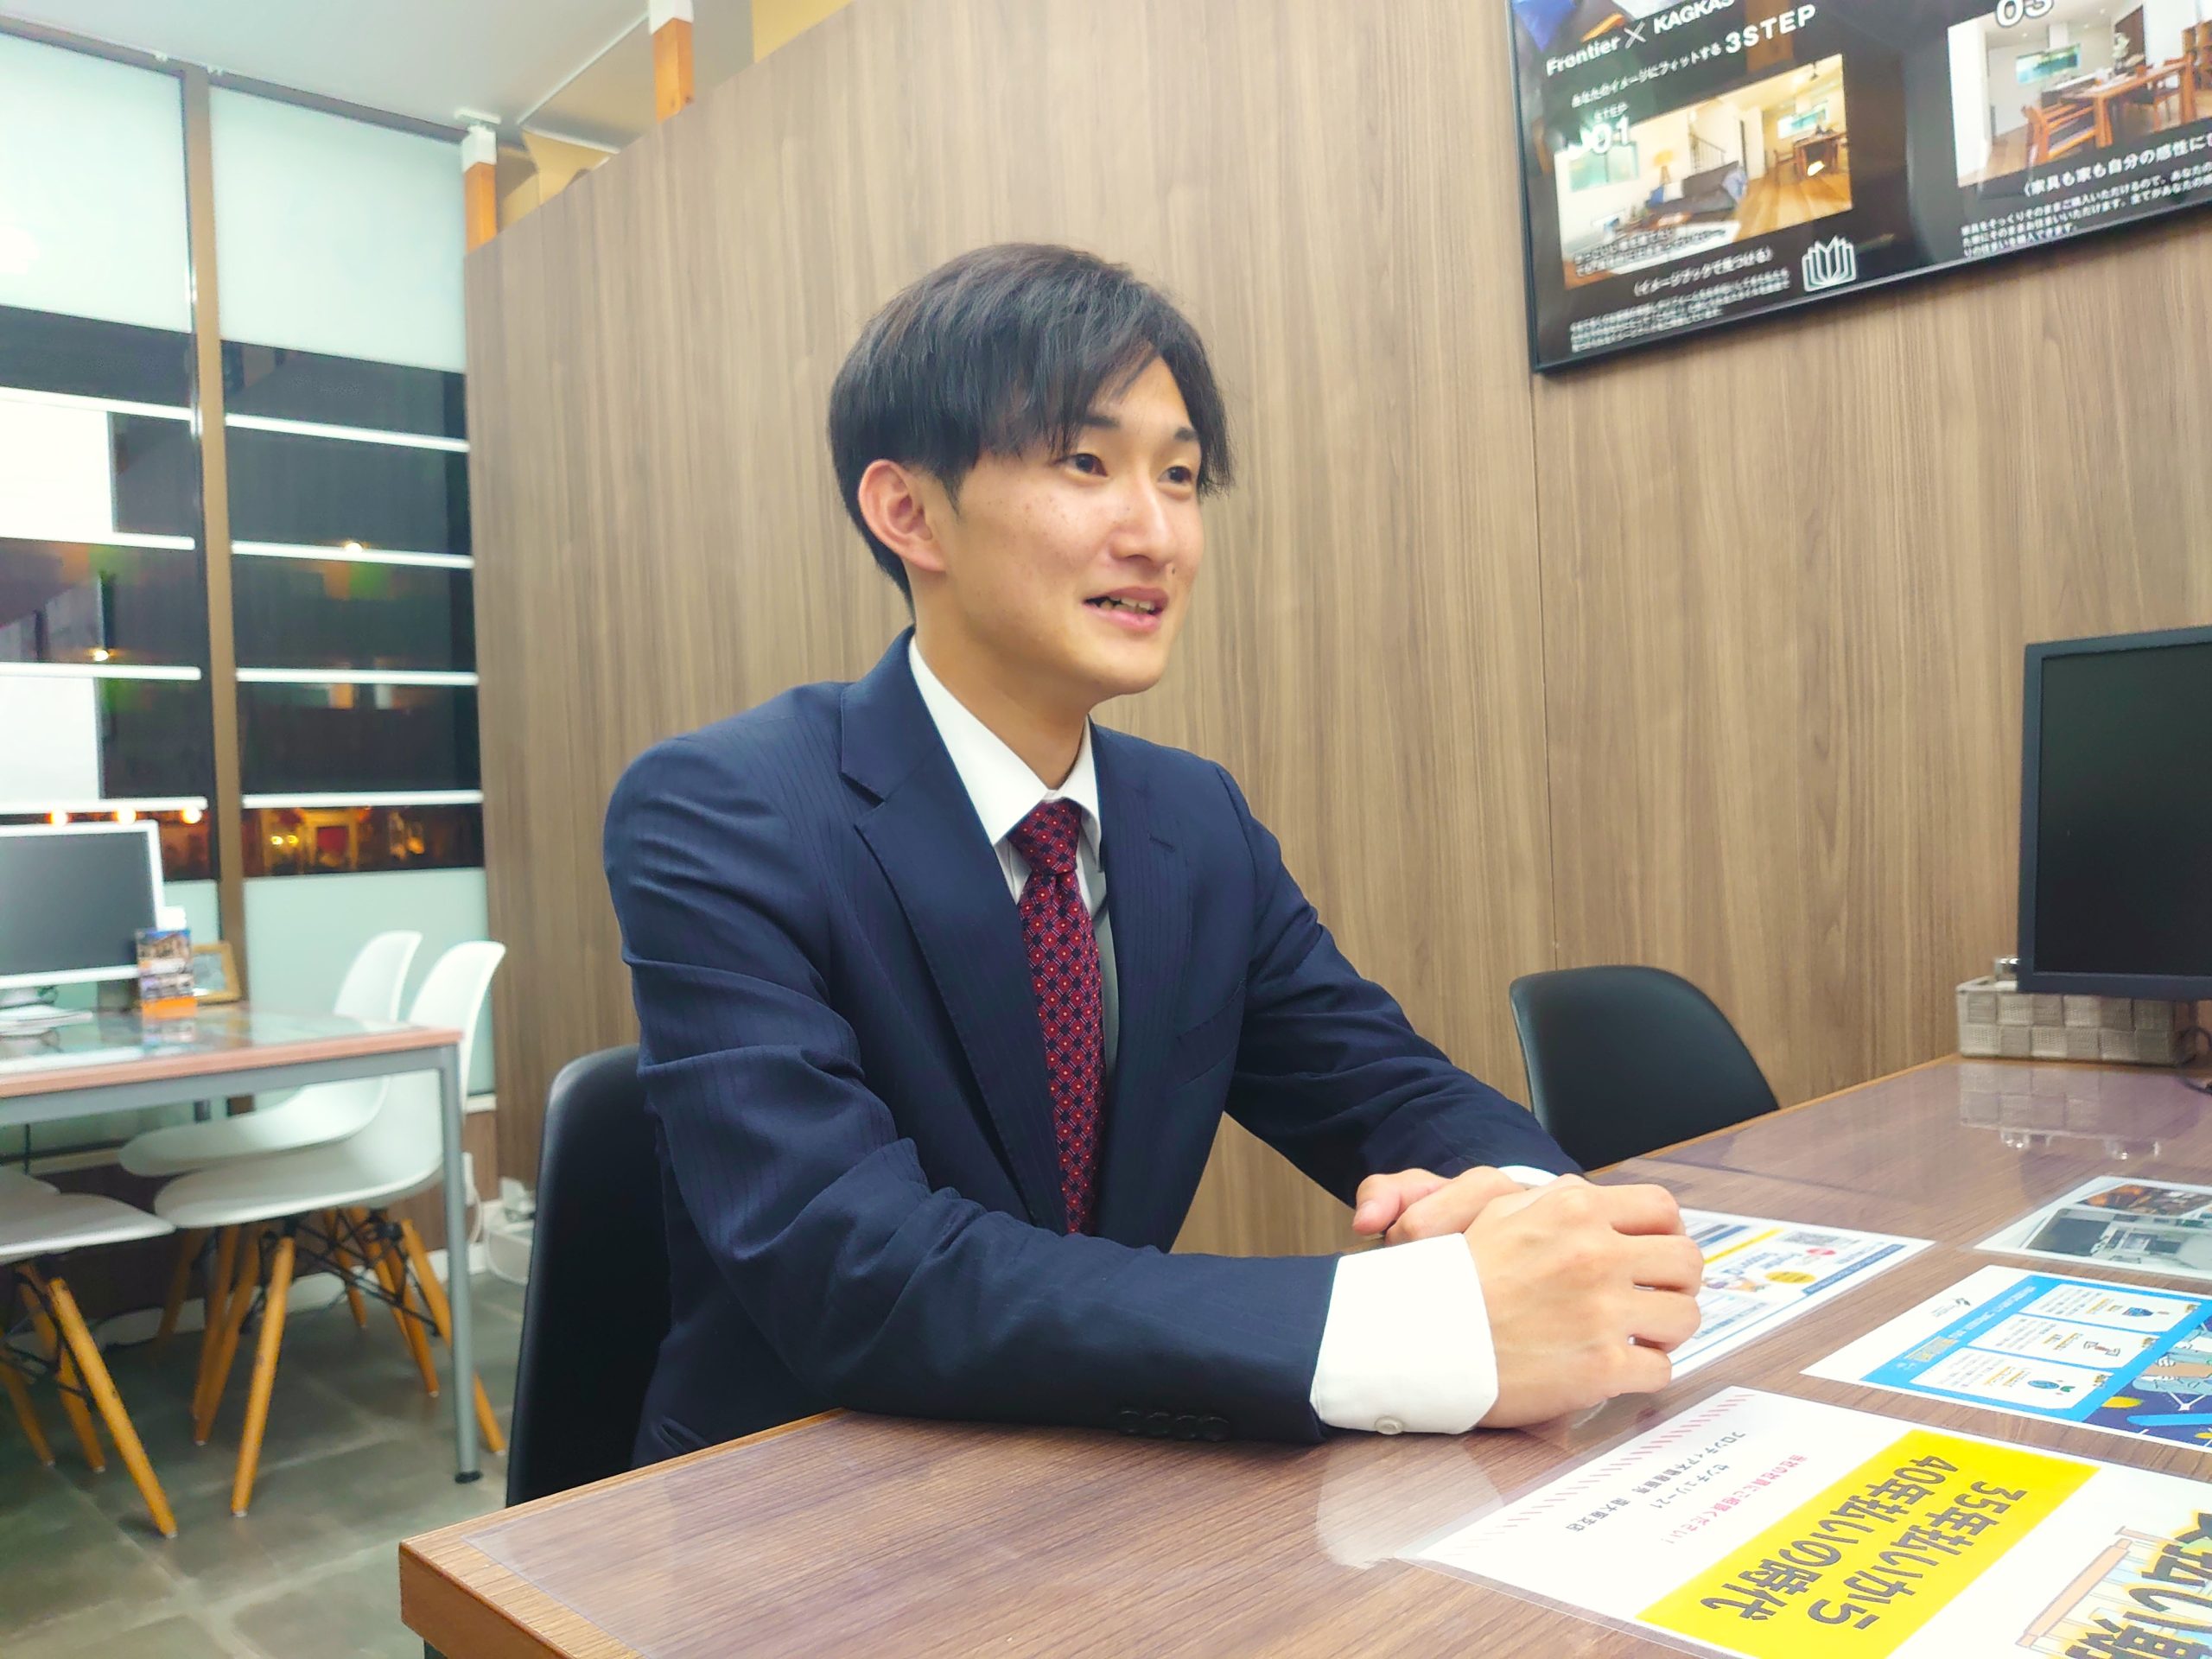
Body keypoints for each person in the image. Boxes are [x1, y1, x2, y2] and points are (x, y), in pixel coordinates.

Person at [603, 243, 1700, 1464]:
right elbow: (852, 1267)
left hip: (1101, 1468)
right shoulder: (726, 809)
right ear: (908, 512)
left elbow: (1379, 1085)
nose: (1157, 535)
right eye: (1086, 464)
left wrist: (1543, 1221)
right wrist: (1420, 1326)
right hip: (799, 1491)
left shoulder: (1191, 817)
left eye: (1179, 477)